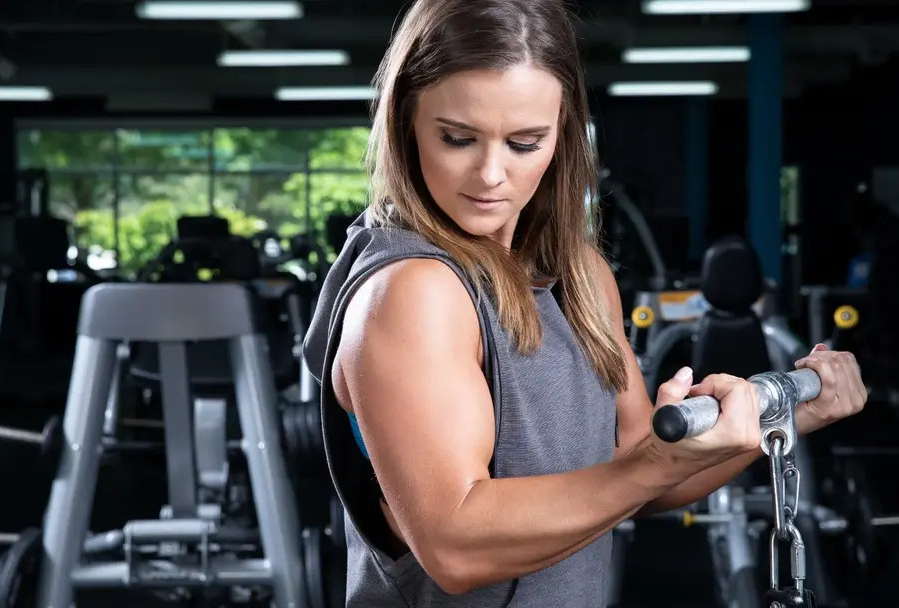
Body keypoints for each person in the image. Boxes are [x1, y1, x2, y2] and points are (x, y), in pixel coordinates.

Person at [302, 0, 868, 606]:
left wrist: (778, 421)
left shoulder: (581, 276)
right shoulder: (413, 291)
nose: (490, 173)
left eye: (525, 142)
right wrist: (654, 465)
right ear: (406, 122)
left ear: (563, 133)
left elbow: (634, 475)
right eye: (457, 138)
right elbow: (456, 547)